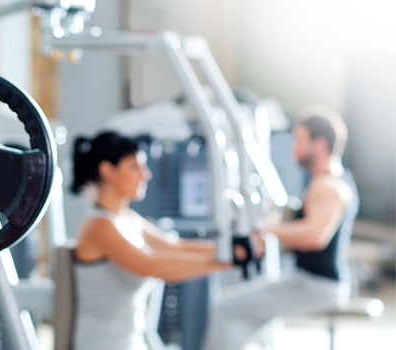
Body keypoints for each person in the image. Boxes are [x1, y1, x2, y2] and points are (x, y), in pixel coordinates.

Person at [206, 106, 358, 350]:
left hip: (318, 287)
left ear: (319, 145)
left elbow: (315, 236)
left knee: (226, 308)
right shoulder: (326, 182)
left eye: (299, 140)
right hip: (309, 280)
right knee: (240, 307)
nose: (293, 148)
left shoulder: (329, 186)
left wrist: (267, 229)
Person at [69, 131, 231, 350]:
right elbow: (152, 265)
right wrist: (226, 261)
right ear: (107, 170)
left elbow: (175, 245)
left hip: (133, 343)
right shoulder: (98, 226)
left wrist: (228, 248)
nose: (146, 174)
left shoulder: (126, 218)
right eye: (135, 167)